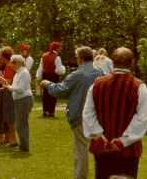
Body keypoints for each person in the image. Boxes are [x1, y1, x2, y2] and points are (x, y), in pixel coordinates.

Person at [83, 47, 147, 179]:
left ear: (112, 62)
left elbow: (88, 113)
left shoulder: (97, 84)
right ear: (132, 63)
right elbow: (142, 119)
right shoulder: (139, 86)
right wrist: (122, 141)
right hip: (128, 150)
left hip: (102, 148)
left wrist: (98, 136)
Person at [40, 46, 102, 179]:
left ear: (80, 59)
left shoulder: (77, 74)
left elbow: (60, 90)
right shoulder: (100, 72)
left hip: (80, 115)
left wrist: (48, 84)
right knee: (99, 150)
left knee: (81, 150)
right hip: (98, 117)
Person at [0, 55, 32, 152]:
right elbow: (14, 87)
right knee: (20, 124)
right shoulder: (18, 73)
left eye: (13, 62)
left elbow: (20, 89)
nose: (11, 64)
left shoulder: (24, 73)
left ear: (18, 63)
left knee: (21, 124)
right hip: (19, 100)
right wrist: (6, 85)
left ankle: (24, 146)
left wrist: (8, 87)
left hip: (24, 99)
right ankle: (23, 146)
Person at [0, 47, 17, 147]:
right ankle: (7, 138)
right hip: (6, 92)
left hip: (8, 94)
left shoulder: (9, 66)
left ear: (4, 56)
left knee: (5, 116)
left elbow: (8, 81)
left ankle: (8, 139)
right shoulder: (9, 66)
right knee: (5, 116)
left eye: (0, 55)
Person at [37, 40, 66, 117]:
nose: (61, 49)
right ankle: (51, 111)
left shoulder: (44, 56)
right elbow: (59, 70)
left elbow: (41, 67)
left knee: (45, 94)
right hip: (53, 76)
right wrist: (64, 69)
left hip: (45, 76)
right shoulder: (57, 57)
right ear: (56, 48)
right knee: (53, 93)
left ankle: (45, 111)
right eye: (60, 48)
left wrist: (39, 77)